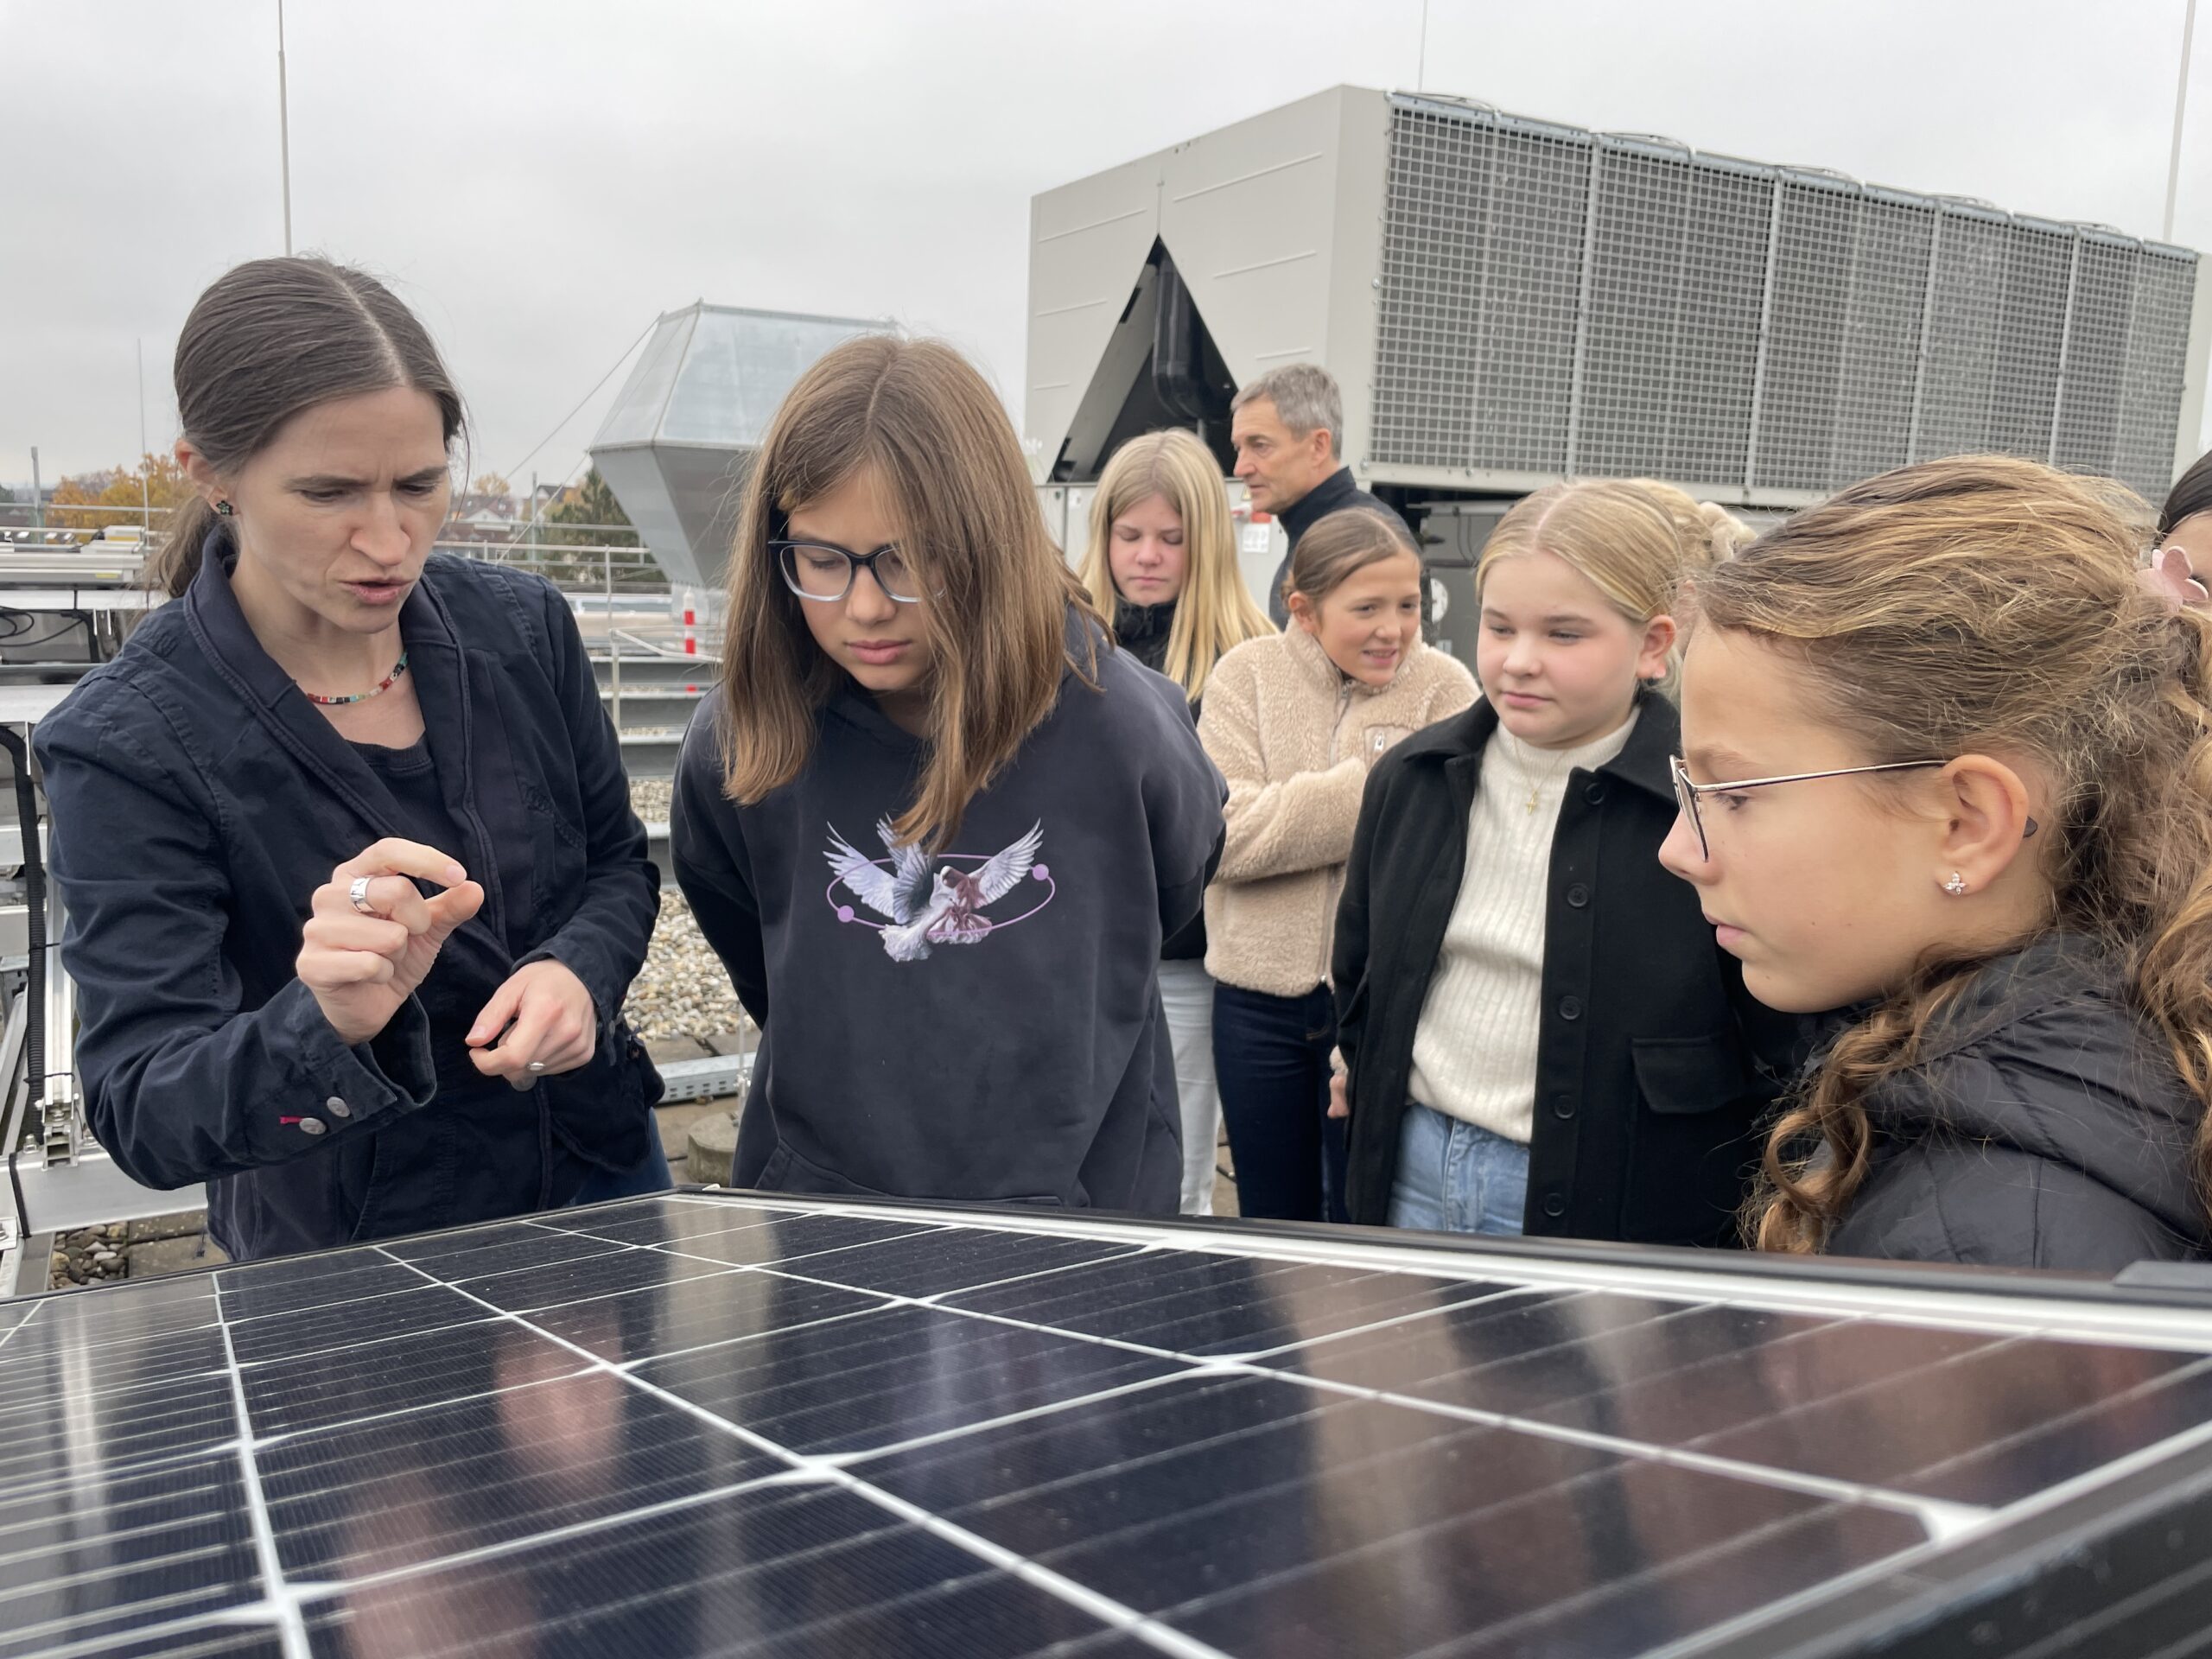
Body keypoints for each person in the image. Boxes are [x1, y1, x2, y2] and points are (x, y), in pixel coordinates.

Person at [35, 257, 667, 1262]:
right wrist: (323, 1022)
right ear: (208, 475)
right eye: (329, 493)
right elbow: (142, 1104)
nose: (390, 540)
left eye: (419, 484)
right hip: (360, 1266)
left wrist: (575, 973)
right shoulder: (128, 743)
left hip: (602, 1181)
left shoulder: (524, 630)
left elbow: (616, 869)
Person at [670, 336, 1224, 1213]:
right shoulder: (742, 737)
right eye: (823, 560)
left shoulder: (1125, 726)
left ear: (990, 536)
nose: (864, 607)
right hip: (829, 1225)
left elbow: (1172, 887)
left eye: (909, 558)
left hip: (1075, 1221)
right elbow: (750, 931)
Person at [1661, 454, 2212, 1269]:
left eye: (1734, 793)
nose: (1676, 850)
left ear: (1968, 822)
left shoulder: (1979, 1245)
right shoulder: (2133, 1034)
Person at [1332, 480, 1789, 1242]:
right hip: (1410, 1160)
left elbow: (1768, 1028)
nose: (1519, 661)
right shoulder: (1412, 780)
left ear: (1652, 645)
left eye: (1564, 635)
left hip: (1620, 1189)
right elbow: (1360, 969)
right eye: (1500, 627)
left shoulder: (1711, 806)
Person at [1200, 508, 1477, 1221]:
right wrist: (1378, 785)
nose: (1393, 628)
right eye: (1367, 609)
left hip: (1382, 1003)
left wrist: (1293, 813)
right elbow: (1223, 840)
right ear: (1305, 609)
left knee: (1365, 1211)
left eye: (1410, 605)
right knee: (1269, 1212)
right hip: (1256, 1004)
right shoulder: (1245, 677)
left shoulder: (1448, 691)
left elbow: (1452, 844)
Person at [1077, 429, 1274, 1216]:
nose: (1147, 555)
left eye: (1171, 538)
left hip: (1188, 964)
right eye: (1129, 535)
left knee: (1178, 1173)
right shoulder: (1059, 642)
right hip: (1080, 956)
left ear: (1210, 544)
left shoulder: (1252, 657)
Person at [1230, 364, 1403, 627]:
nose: (1240, 468)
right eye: (1239, 449)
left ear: (1319, 446)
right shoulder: (1326, 528)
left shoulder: (1360, 539)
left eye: (1260, 446)